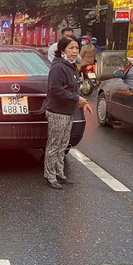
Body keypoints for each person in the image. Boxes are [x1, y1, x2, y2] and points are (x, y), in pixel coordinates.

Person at [44, 36, 92, 190]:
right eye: (71, 48)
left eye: (77, 48)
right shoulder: (58, 67)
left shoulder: (70, 66)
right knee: (54, 145)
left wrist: (82, 101)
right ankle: (50, 176)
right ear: (62, 50)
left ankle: (59, 173)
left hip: (68, 111)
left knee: (63, 144)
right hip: (57, 112)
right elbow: (56, 89)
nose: (74, 51)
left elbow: (73, 89)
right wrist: (77, 99)